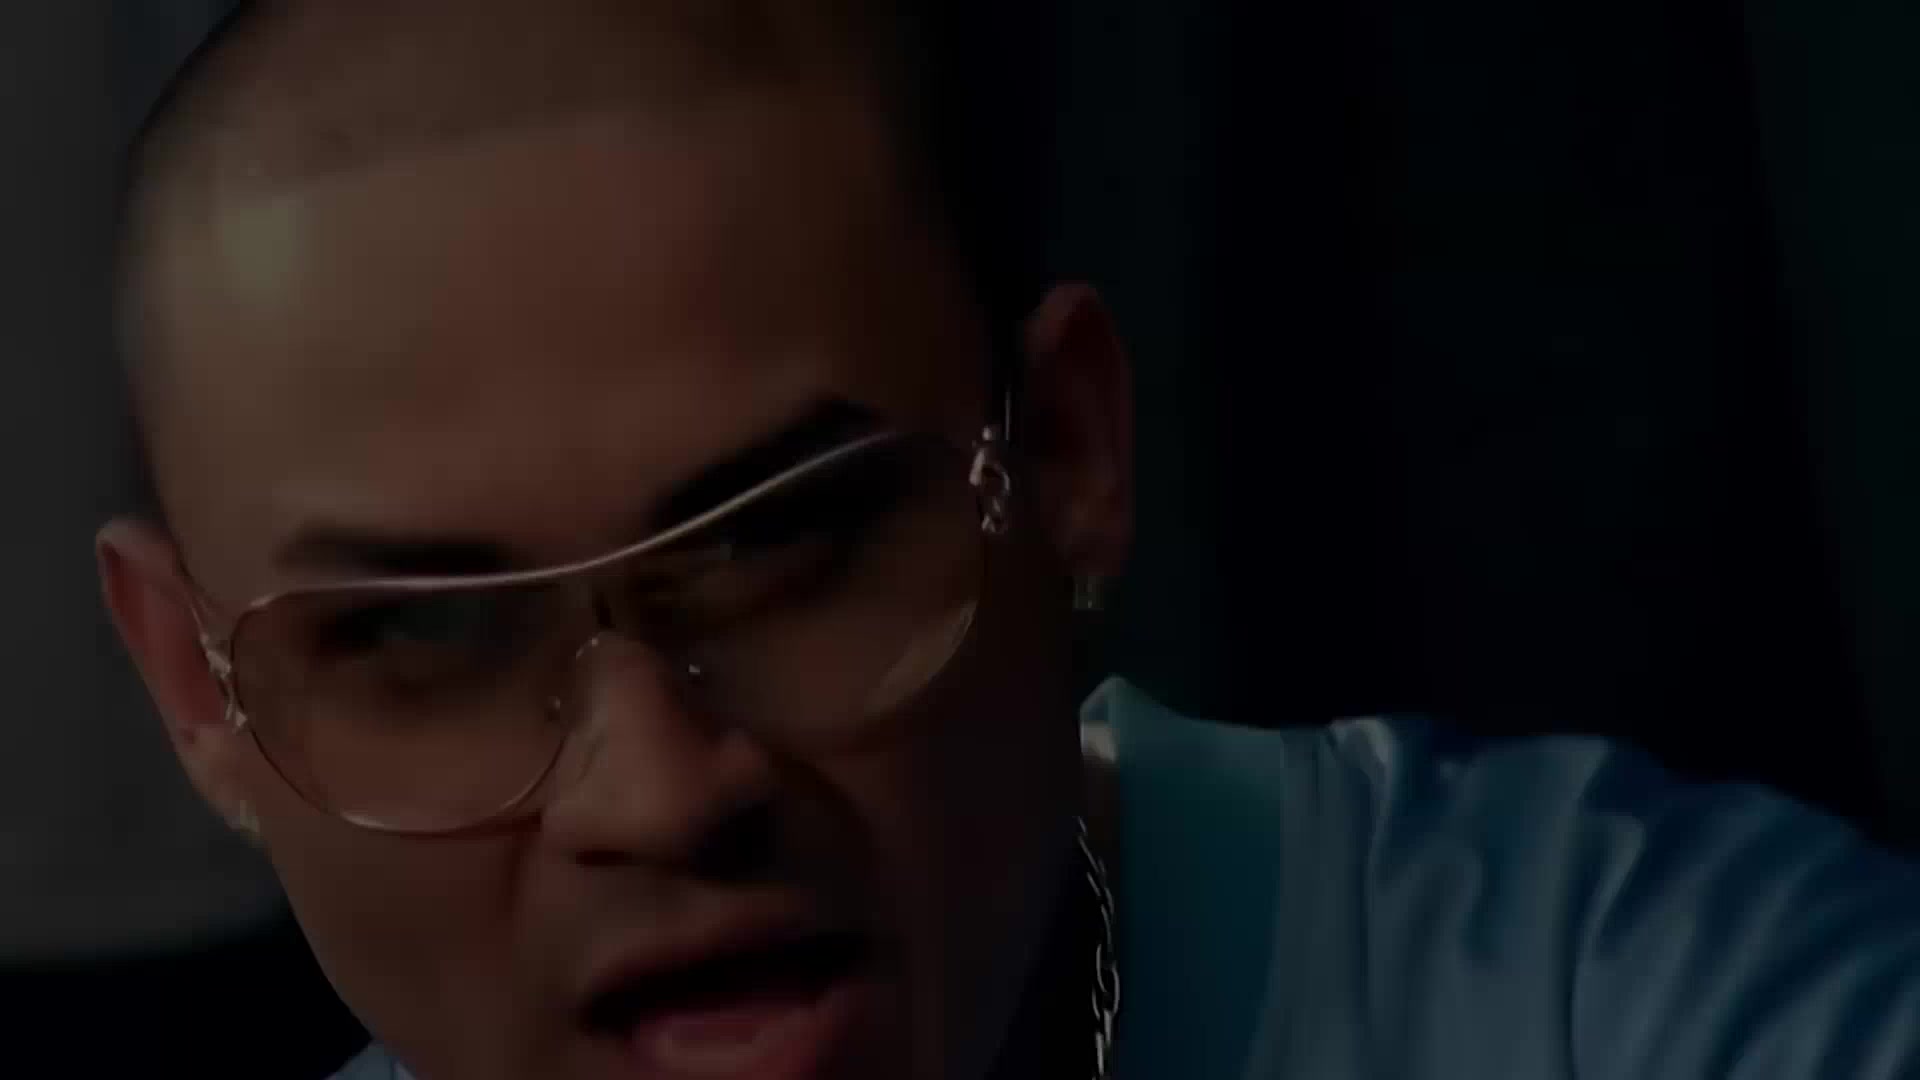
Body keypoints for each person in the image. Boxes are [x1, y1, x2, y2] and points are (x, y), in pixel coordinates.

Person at [97, 2, 1920, 1079]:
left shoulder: (1653, 1010)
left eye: (786, 541)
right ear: (193, 689)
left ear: (1068, 454)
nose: (656, 792)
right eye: (422, 637)